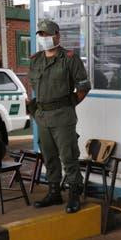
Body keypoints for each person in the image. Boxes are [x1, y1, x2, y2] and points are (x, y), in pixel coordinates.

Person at [27, 19, 91, 213]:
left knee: (68, 156)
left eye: (47, 34)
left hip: (63, 116)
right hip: (43, 116)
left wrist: (68, 104)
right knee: (49, 156)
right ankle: (54, 192)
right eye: (41, 35)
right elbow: (35, 86)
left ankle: (74, 194)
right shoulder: (35, 59)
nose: (44, 38)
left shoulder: (70, 58)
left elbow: (83, 87)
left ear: (57, 35)